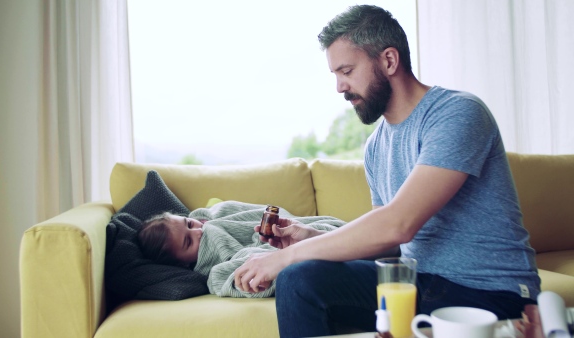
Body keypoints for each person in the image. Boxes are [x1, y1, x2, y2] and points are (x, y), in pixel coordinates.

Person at [233, 4, 540, 337]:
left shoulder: (457, 114)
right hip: (417, 283)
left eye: (346, 71)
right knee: (301, 280)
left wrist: (288, 256)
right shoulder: (376, 147)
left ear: (389, 60)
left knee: (293, 268)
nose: (339, 87)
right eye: (335, 75)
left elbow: (398, 225)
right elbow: (388, 244)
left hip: (489, 291)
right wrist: (312, 238)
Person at [137, 200, 345, 298]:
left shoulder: (215, 216)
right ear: (181, 262)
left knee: (330, 235)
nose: (199, 231)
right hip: (269, 253)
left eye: (190, 224)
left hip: (296, 236)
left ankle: (320, 240)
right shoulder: (212, 272)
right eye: (188, 242)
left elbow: (255, 214)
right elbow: (233, 276)